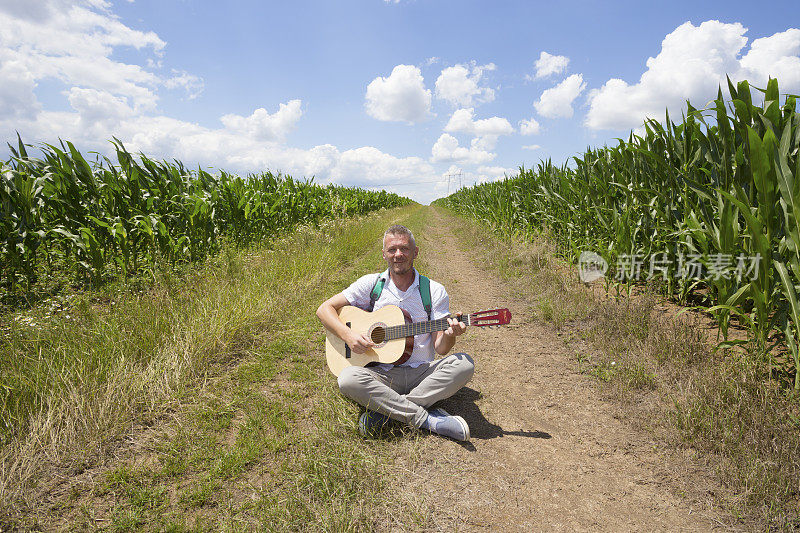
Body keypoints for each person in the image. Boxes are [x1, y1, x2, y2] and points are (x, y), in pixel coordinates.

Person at [316, 224, 475, 441]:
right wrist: (348, 335)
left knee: (464, 363)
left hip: (422, 373)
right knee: (347, 378)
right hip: (381, 374)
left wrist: (450, 334)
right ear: (384, 254)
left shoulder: (433, 290)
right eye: (392, 250)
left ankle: (386, 414)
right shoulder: (371, 284)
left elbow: (441, 348)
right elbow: (324, 309)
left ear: (415, 252)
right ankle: (428, 420)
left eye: (404, 248)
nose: (398, 254)